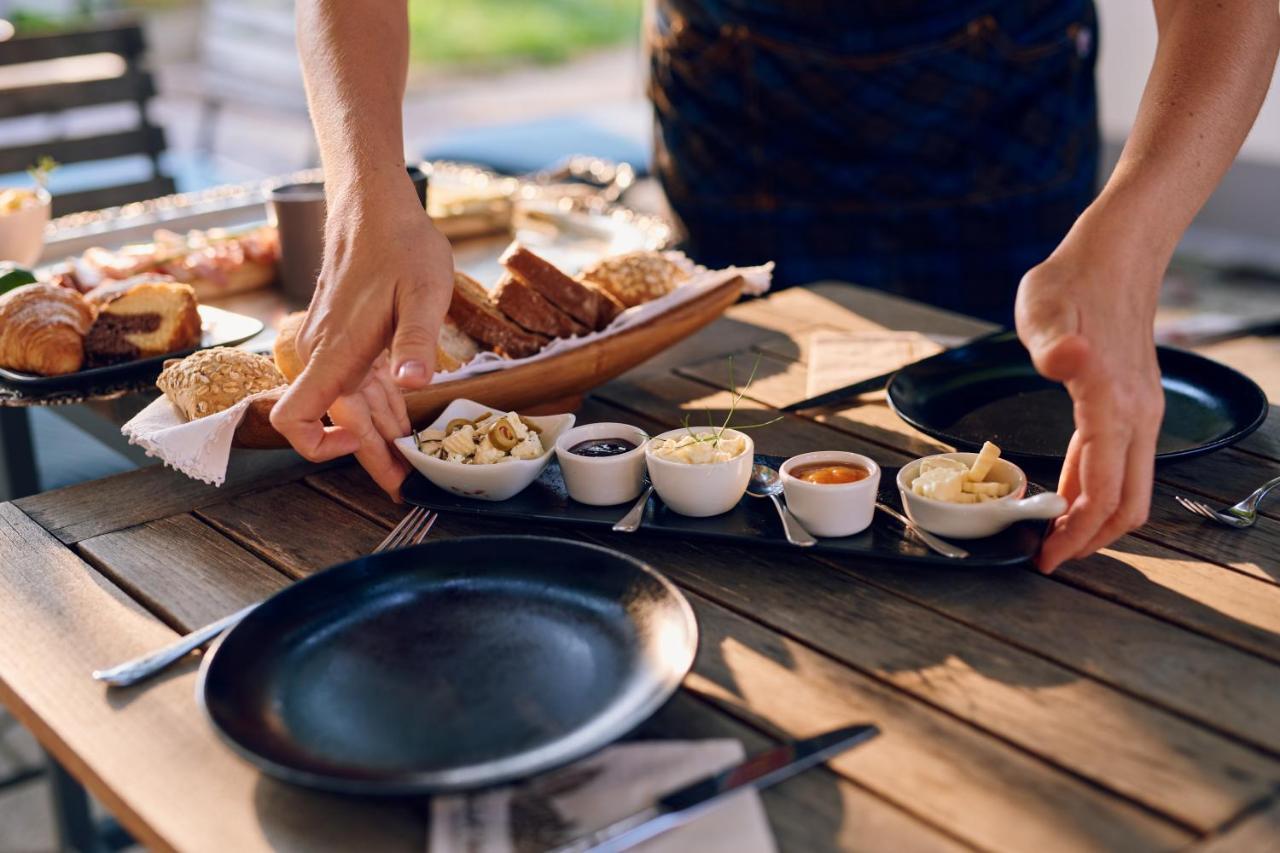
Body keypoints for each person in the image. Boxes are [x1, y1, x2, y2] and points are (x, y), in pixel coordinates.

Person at [274, 0, 1280, 573]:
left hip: (998, 102)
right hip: (733, 95)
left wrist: (1133, 238)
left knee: (1014, 462)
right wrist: (366, 189)